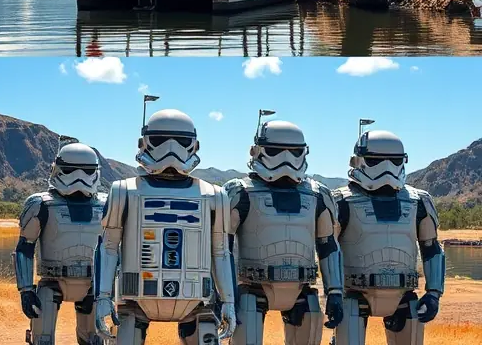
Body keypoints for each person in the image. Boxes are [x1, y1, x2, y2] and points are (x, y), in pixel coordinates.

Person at [94, 109, 237, 345]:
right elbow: (108, 247)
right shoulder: (123, 191)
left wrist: (229, 302)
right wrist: (102, 297)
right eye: (161, 140)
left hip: (196, 301)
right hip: (136, 298)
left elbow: (221, 252)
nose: (171, 150)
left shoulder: (214, 196)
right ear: (144, 143)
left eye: (181, 142)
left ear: (194, 145)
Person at [224, 119, 343, 345]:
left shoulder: (317, 194)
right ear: (257, 151)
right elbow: (222, 248)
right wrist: (225, 297)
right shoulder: (240, 192)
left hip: (301, 290)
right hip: (252, 288)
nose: (285, 160)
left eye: (293, 152)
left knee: (310, 322)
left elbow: (328, 245)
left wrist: (335, 291)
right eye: (276, 151)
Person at [331, 130, 445, 345]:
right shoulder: (341, 200)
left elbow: (431, 247)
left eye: (394, 161)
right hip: (354, 293)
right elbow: (327, 248)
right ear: (358, 161)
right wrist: (333, 292)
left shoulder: (419, 200)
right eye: (375, 161)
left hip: (404, 295)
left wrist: (434, 293)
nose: (386, 168)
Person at [15, 141, 107, 345]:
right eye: (71, 170)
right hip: (53, 281)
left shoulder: (105, 204)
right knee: (42, 338)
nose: (79, 177)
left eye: (86, 171)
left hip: (93, 285)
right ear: (57, 169)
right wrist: (26, 290)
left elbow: (116, 247)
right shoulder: (41, 204)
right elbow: (25, 247)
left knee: (94, 339)